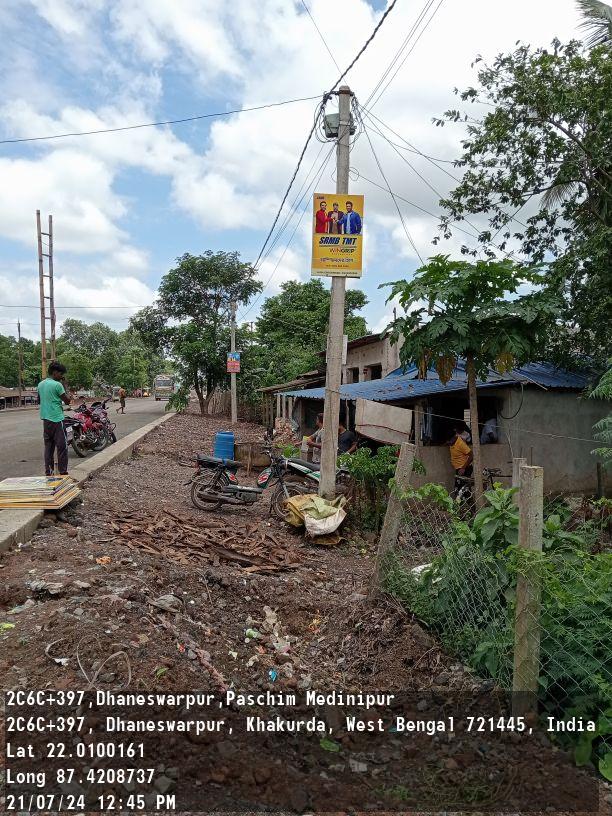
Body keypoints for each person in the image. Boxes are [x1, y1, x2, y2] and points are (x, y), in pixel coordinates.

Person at [37, 361, 72, 476]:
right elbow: (67, 401)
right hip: (57, 419)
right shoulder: (57, 385)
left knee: (48, 447)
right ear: (55, 372)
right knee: (62, 447)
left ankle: (49, 473)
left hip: (46, 420)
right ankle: (63, 472)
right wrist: (65, 385)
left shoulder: (40, 384)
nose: (61, 376)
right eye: (61, 374)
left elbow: (40, 400)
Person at [448, 424, 473, 488]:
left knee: (463, 488)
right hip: (458, 468)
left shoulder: (460, 443)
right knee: (459, 488)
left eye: (449, 441)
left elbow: (471, 455)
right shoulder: (452, 442)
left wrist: (463, 468)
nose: (449, 443)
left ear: (454, 437)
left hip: (464, 468)